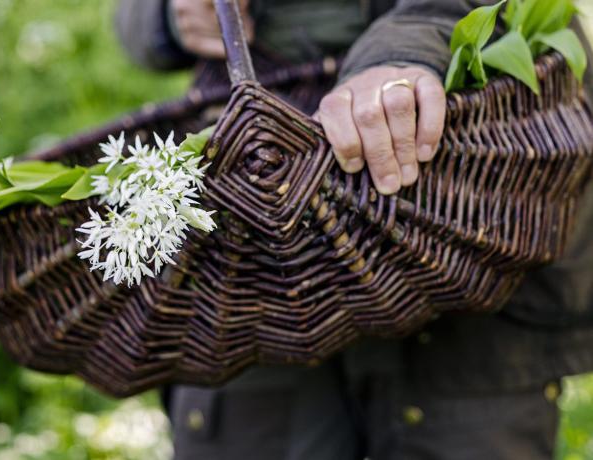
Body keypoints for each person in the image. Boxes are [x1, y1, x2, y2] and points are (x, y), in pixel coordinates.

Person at [116, 1, 593, 459]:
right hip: (252, 279)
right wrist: (165, 16)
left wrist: (404, 55)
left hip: (467, 257)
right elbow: (129, 24)